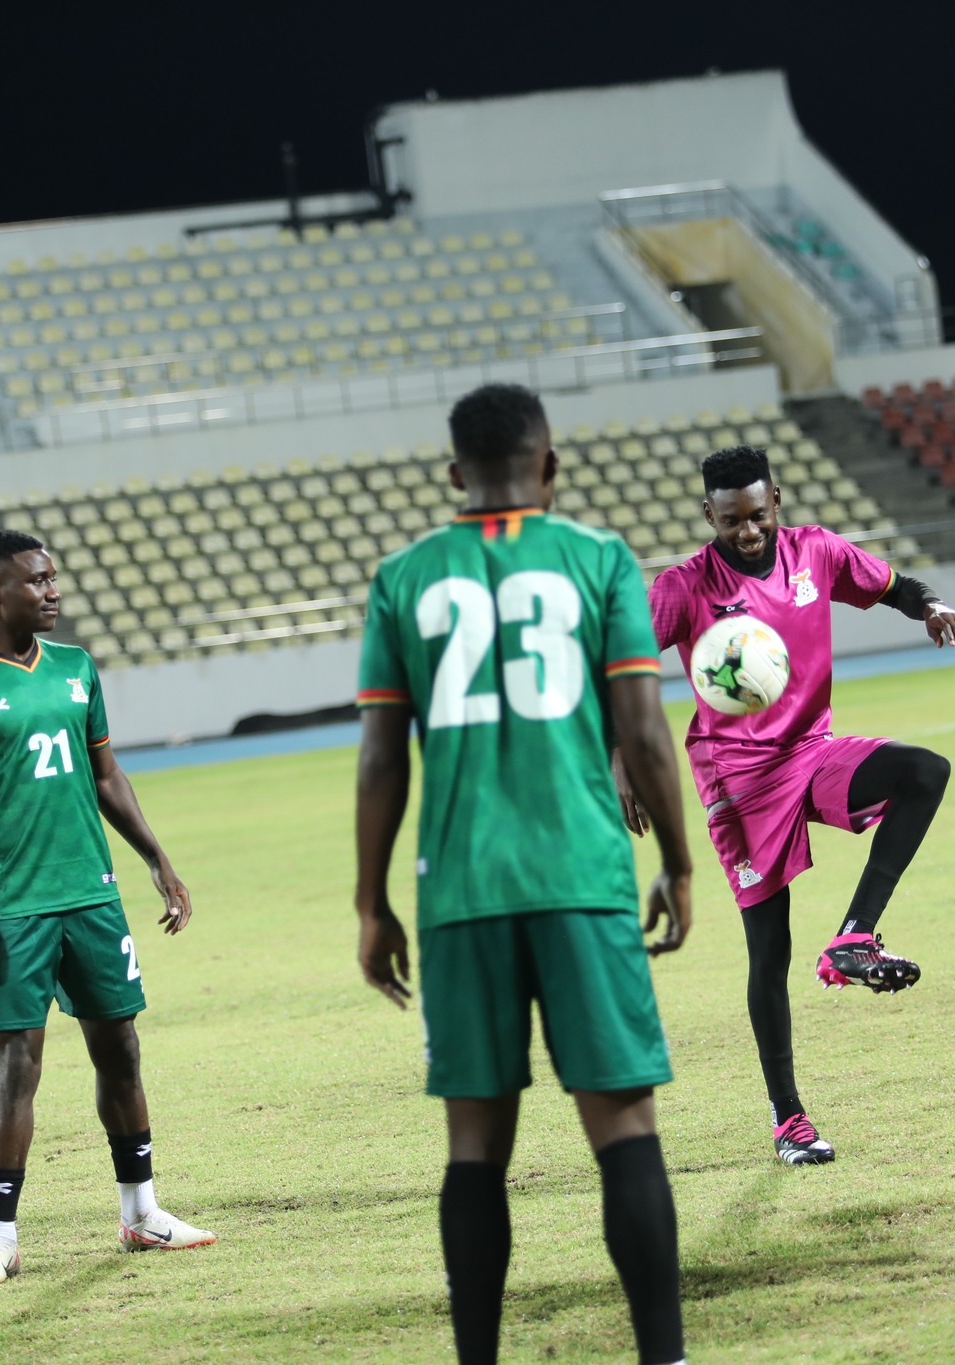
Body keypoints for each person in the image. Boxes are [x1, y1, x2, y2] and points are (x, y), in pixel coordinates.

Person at [355, 383, 695, 1365]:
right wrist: (675, 862)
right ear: (549, 465)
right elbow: (640, 728)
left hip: (459, 889)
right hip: (583, 876)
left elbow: (382, 757)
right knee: (622, 1124)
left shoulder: (402, 577)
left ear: (455, 473)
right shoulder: (597, 560)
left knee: (474, 1144)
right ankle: (662, 1358)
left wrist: (371, 902)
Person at [618, 445, 955, 1166]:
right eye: (730, 521)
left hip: (811, 751)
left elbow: (899, 585)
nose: (746, 532)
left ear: (776, 500)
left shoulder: (817, 553)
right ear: (707, 515)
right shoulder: (684, 585)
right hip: (738, 778)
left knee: (924, 772)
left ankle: (854, 936)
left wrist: (932, 606)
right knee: (768, 948)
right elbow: (620, 661)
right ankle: (789, 1118)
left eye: (756, 515)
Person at [0, 529, 214, 1290]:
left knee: (120, 1048)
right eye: (36, 580)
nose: (52, 590)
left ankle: (142, 1211)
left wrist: (157, 857)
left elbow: (107, 774)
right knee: (17, 1065)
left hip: (93, 895)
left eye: (54, 577)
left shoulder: (78, 668)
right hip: (14, 905)